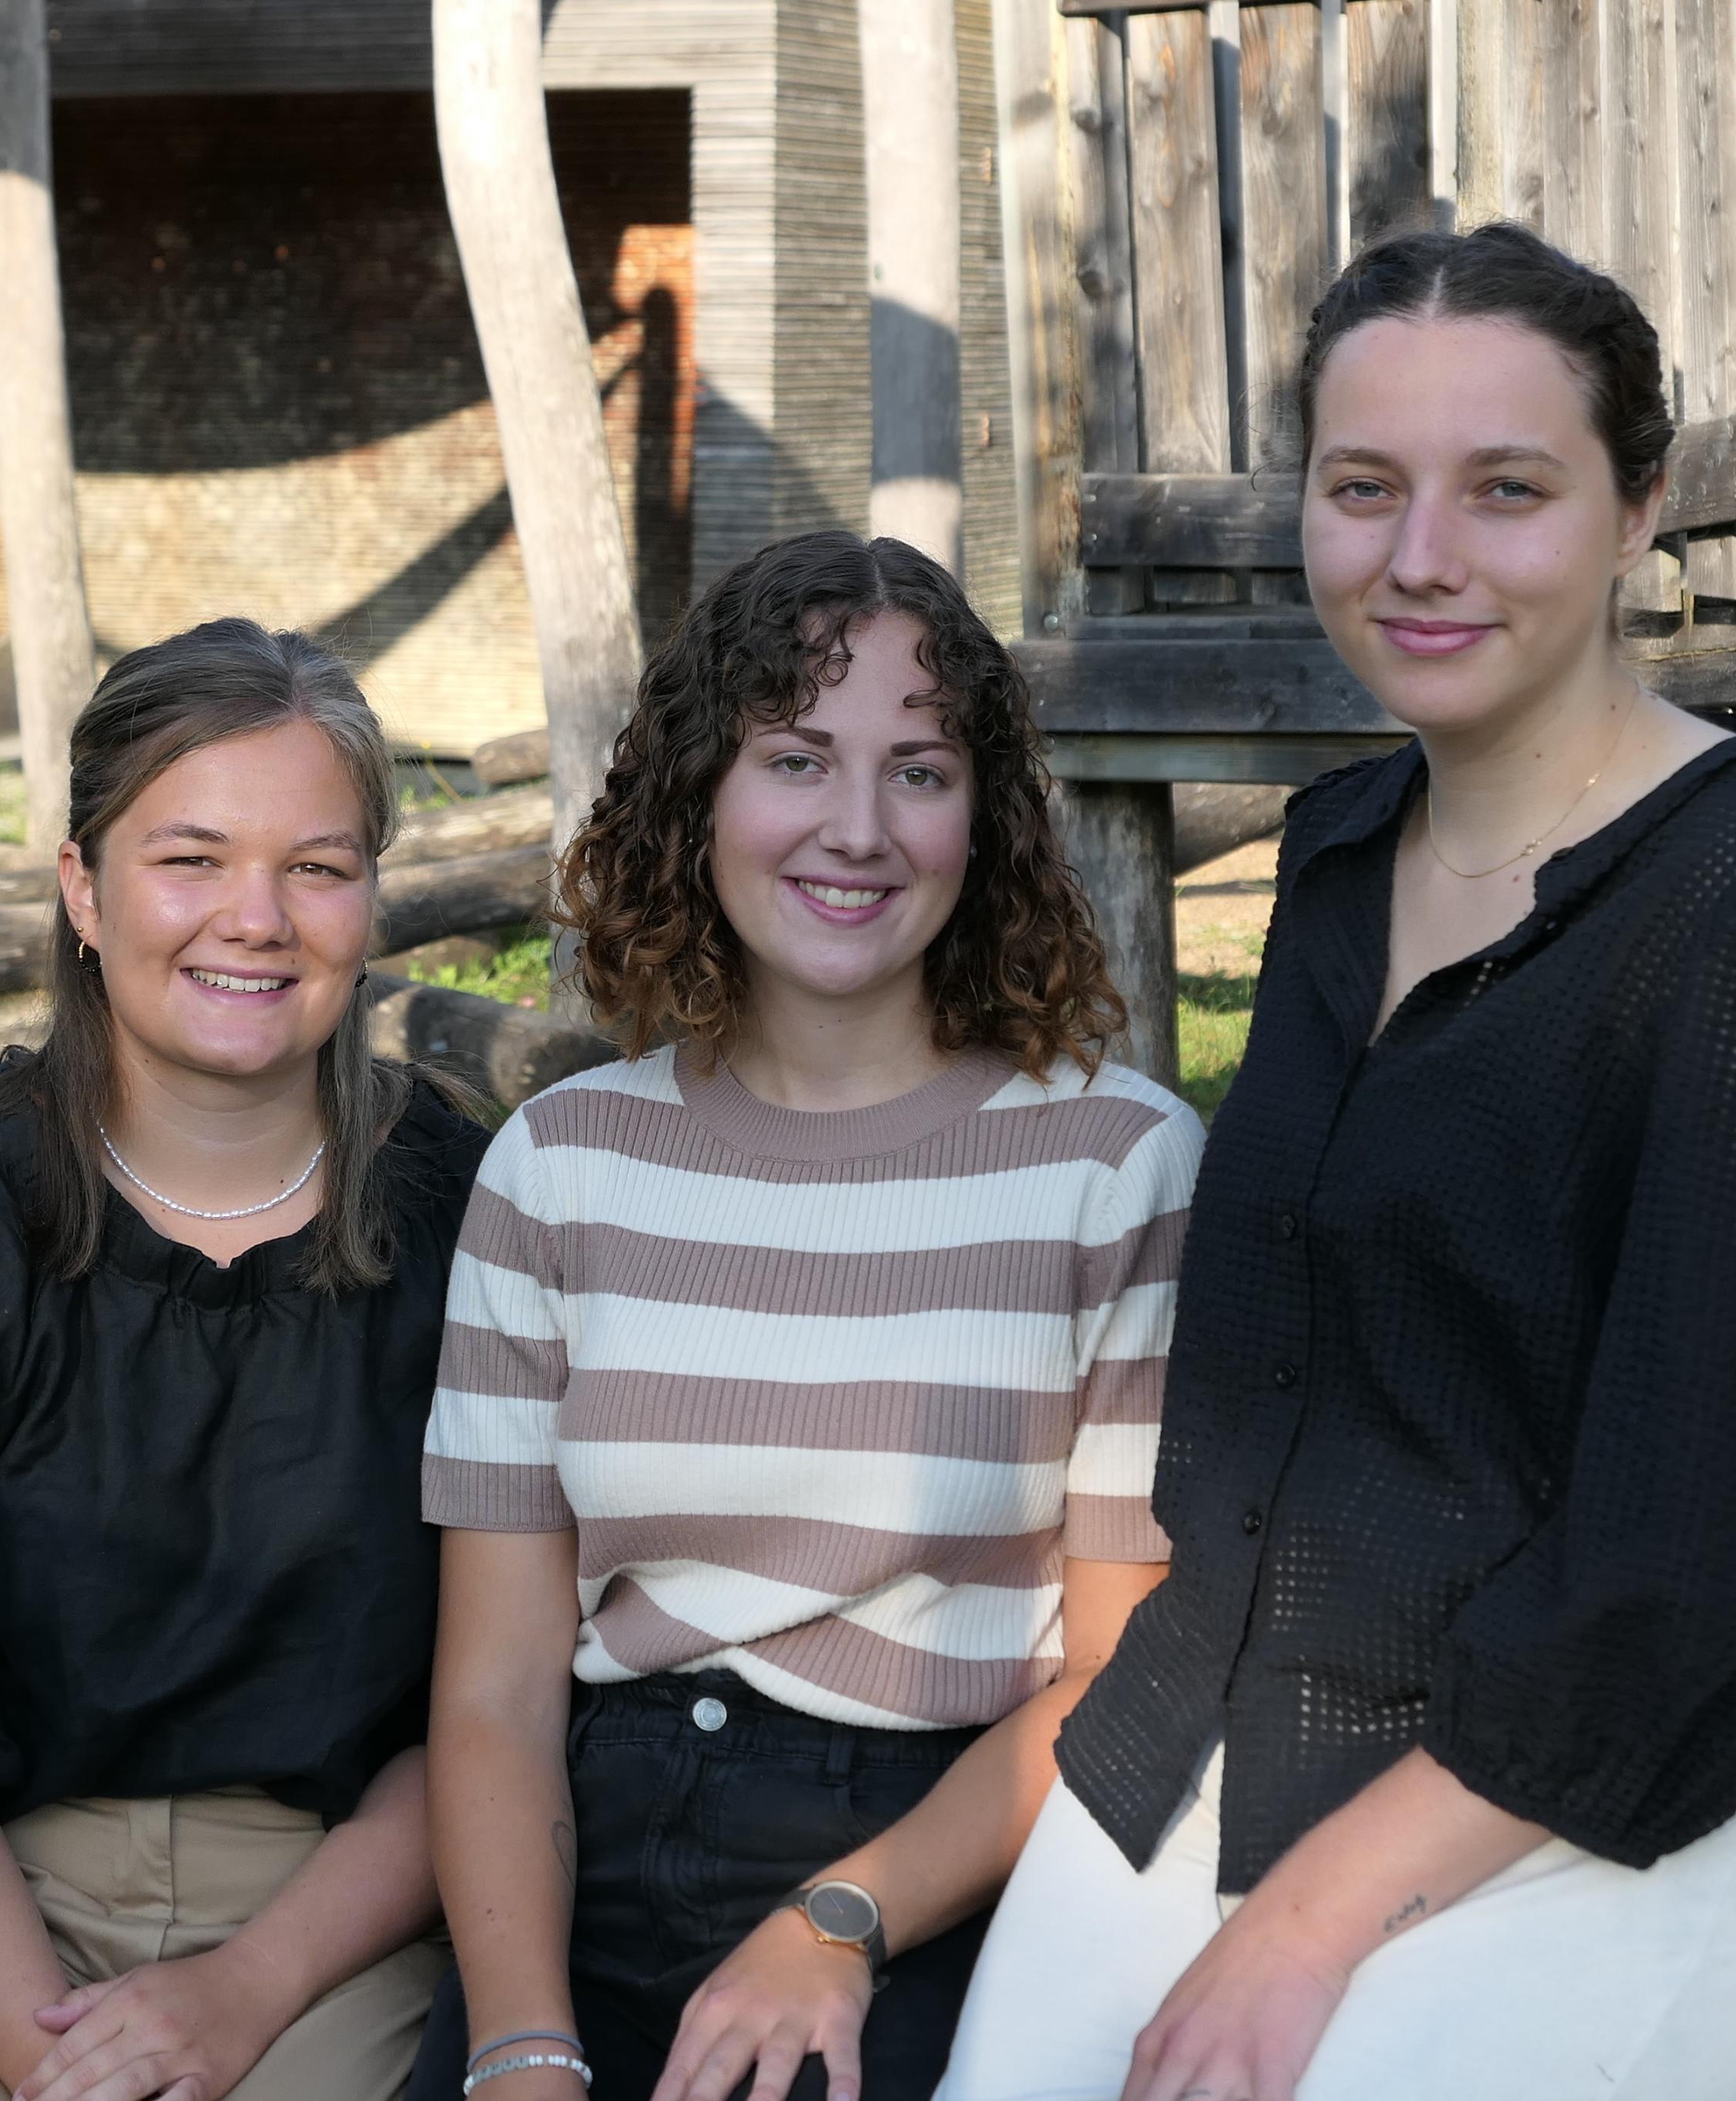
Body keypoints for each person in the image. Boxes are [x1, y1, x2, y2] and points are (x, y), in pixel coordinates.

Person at [939, 224, 1736, 2101]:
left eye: (1504, 489)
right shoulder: (1338, 860)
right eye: (1361, 488)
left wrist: (1303, 1922)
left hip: (1632, 1764)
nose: (1418, 556)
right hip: (1233, 1704)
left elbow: (1710, 1565)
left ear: (1634, 506)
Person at [414, 531, 1205, 2101]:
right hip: (585, 1848)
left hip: (936, 1863)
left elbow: (1122, 1676)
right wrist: (518, 2044)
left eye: (917, 771)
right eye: (794, 760)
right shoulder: (557, 1165)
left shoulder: (1116, 1164)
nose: (857, 829)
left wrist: (841, 1920)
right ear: (698, 794)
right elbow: (494, 1693)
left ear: (982, 817)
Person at [0, 617, 490, 2101]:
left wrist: (243, 1994)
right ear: (83, 887)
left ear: (370, 899)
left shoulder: (454, 1209)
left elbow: (495, 1689)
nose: (255, 918)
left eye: (316, 867)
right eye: (190, 858)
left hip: (342, 1914)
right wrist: (56, 2062)